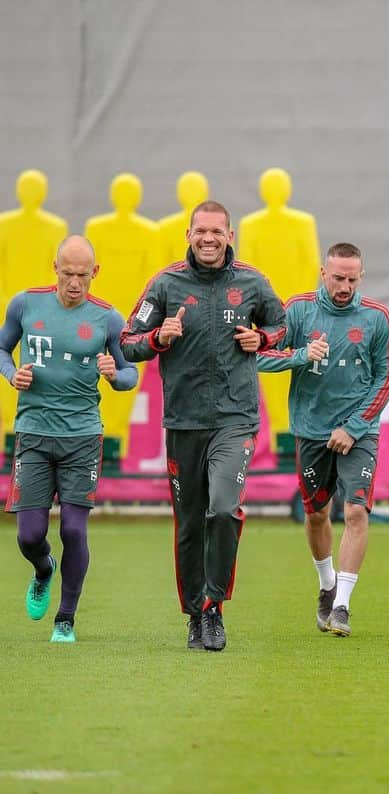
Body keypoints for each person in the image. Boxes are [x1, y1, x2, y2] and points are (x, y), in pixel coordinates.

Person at [121, 201, 286, 652]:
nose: (208, 238)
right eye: (200, 231)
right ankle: (195, 615)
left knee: (223, 507)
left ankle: (215, 607)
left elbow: (282, 323)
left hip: (235, 419)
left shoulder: (252, 282)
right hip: (184, 422)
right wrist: (159, 338)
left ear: (230, 235)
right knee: (191, 523)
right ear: (189, 235)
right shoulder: (166, 284)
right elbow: (128, 343)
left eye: (217, 231)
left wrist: (263, 339)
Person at [1, 235, 137, 643]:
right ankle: (44, 569)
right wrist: (12, 374)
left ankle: (65, 619)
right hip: (33, 434)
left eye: (82, 275)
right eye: (67, 274)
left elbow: (130, 375)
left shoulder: (109, 319)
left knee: (74, 531)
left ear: (94, 273)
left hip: (82, 436)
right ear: (54, 268)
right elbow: (2, 349)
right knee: (29, 535)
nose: (74, 283)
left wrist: (114, 374)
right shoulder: (24, 304)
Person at [257, 242, 389, 637]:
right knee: (316, 514)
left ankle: (342, 606)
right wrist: (301, 355)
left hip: (359, 432)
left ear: (361, 277)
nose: (345, 286)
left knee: (355, 513)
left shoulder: (376, 317)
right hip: (311, 430)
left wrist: (353, 427)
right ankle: (326, 584)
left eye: (352, 279)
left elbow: (385, 379)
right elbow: (260, 356)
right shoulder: (298, 310)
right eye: (338, 278)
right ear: (323, 272)